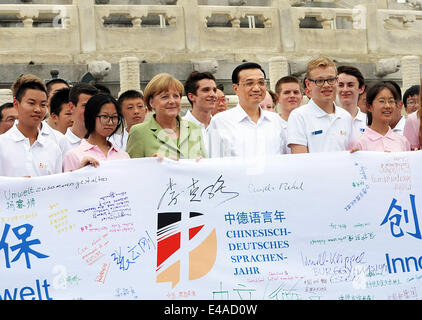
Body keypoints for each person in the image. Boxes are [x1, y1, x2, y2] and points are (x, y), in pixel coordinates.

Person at [207, 62, 287, 157]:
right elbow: (214, 162)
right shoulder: (220, 121)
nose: (257, 88)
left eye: (261, 83)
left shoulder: (276, 121)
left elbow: (284, 158)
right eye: (249, 83)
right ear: (236, 88)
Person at [126, 73, 206, 159]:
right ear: (151, 102)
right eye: (165, 97)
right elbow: (133, 169)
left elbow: (204, 165)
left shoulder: (194, 128)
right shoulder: (139, 132)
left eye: (176, 96)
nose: (172, 101)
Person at [0, 74, 62, 177]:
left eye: (43, 105)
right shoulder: (2, 145)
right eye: (31, 103)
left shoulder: (53, 148)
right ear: (16, 104)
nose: (37, 109)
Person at [287, 56, 353, 153]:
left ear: (337, 80)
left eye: (331, 79)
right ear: (308, 84)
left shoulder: (345, 116)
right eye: (319, 81)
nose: (326, 85)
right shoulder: (298, 116)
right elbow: (299, 160)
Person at [63, 93, 130, 172]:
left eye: (114, 117)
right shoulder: (73, 155)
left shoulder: (123, 156)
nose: (111, 122)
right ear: (91, 117)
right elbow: (69, 183)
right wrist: (79, 172)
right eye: (105, 116)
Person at [353, 82, 410, 152]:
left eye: (391, 101)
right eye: (382, 101)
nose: (387, 106)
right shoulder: (360, 143)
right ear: (369, 106)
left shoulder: (403, 141)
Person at [183, 71, 217, 152]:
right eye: (206, 90)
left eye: (214, 90)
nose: (213, 94)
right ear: (191, 97)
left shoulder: (222, 126)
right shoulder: (178, 128)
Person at [336, 65, 367, 142]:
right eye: (341, 85)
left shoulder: (369, 122)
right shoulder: (331, 120)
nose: (345, 89)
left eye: (350, 85)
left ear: (361, 89)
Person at [65, 83, 99, 149]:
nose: (91, 110)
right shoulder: (61, 145)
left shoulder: (108, 143)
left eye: (94, 106)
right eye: (85, 106)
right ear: (71, 107)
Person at [275, 76, 303, 153]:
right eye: (287, 92)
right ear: (278, 98)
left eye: (296, 92)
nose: (292, 95)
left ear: (301, 97)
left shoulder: (309, 121)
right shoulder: (273, 124)